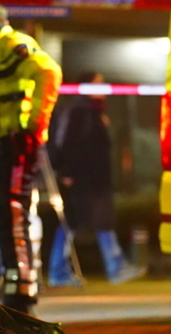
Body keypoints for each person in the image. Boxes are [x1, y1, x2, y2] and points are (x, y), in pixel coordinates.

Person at [0, 0, 61, 315]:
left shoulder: (13, 44)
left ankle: (22, 298)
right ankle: (6, 295)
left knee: (13, 218)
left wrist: (34, 128)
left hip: (15, 148)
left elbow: (49, 71)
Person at [48, 72, 145, 286]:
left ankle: (109, 266)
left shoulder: (93, 112)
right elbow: (72, 145)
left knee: (90, 223)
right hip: (83, 179)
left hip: (93, 179)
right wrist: (67, 172)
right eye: (98, 83)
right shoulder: (80, 113)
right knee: (74, 223)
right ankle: (110, 267)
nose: (103, 87)